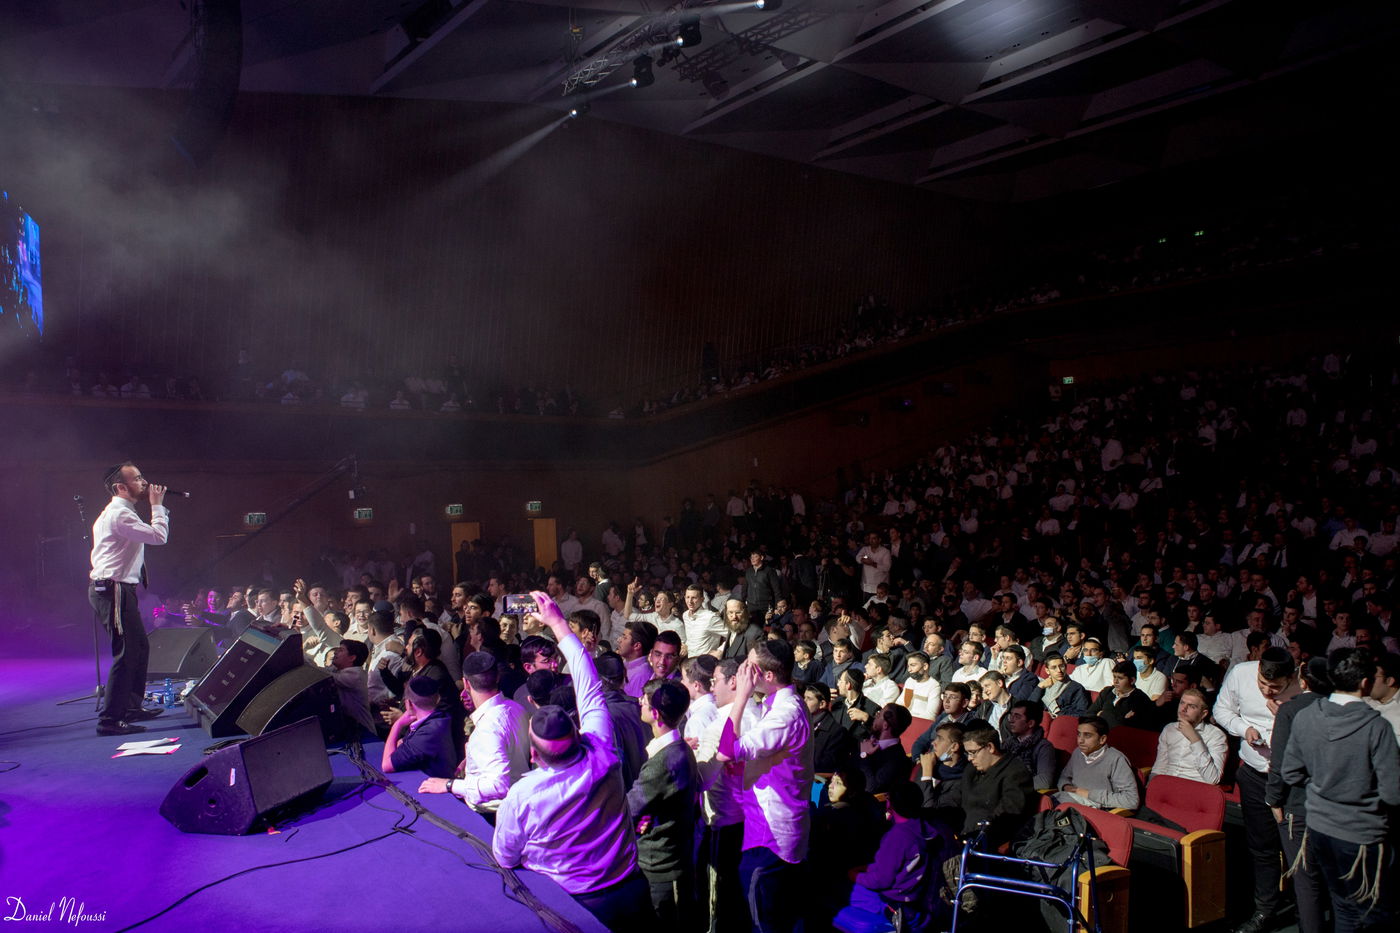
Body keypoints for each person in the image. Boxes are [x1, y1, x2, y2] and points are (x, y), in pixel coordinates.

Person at [492, 592, 654, 931]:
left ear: (534, 754)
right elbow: (587, 680)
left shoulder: (524, 794)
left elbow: (504, 857)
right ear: (578, 732)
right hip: (631, 889)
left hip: (577, 905)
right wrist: (557, 622)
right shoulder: (603, 752)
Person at [1282, 648, 1400, 933]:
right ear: (1364, 683)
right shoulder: (1377, 727)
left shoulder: (1306, 716)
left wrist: (1325, 786)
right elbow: (1392, 794)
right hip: (1361, 836)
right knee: (1373, 914)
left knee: (1343, 908)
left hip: (1320, 831)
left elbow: (1290, 772)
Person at [716, 638, 813, 932]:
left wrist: (742, 695)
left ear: (767, 676)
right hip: (767, 827)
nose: (743, 670)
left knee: (764, 921)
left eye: (749, 666)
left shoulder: (785, 715)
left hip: (771, 836)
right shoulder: (780, 704)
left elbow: (725, 751)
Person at [1213, 647, 1297, 933]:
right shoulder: (1240, 673)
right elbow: (1221, 710)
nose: (1267, 692)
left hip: (1291, 779)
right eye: (1262, 684)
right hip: (1252, 773)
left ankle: (1305, 906)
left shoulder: (1303, 689)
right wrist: (1243, 727)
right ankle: (1265, 909)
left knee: (1296, 846)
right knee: (1262, 847)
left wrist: (1287, 713)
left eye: (1275, 687)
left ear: (1291, 678)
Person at [88, 462, 170, 736]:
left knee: (140, 647)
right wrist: (157, 506)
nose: (144, 482)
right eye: (137, 479)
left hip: (120, 589)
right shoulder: (119, 515)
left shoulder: (122, 513)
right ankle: (110, 720)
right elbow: (159, 536)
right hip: (113, 589)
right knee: (126, 652)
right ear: (120, 487)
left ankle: (131, 707)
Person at [418, 651, 530, 816]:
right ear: (497, 677)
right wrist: (471, 760)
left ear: (466, 683)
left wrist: (449, 785)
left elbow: (498, 785)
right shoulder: (516, 708)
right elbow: (510, 750)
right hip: (517, 804)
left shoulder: (488, 728)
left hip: (494, 814)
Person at [1265, 657, 1331, 933]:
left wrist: (1273, 799)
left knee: (1306, 882)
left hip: (1301, 806)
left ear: (1303, 681)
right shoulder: (1351, 709)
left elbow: (1279, 762)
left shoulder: (1291, 711)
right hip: (1342, 807)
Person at [628, 679, 701, 924]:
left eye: (645, 702)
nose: (640, 703)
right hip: (670, 861)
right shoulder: (679, 750)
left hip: (662, 866)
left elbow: (629, 809)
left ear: (656, 714)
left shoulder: (663, 763)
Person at [1054, 716, 1140, 810]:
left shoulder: (1116, 759)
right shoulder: (1077, 752)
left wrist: (1089, 794)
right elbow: (1064, 777)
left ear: (1102, 739)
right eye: (1079, 734)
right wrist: (1067, 787)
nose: (1080, 740)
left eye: (1087, 735)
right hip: (1073, 801)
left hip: (1100, 811)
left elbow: (1131, 800)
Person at [382, 675, 458, 779]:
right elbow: (400, 744)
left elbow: (386, 765)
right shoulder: (441, 717)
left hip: (434, 791)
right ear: (438, 698)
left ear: (408, 703)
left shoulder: (429, 732)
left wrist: (397, 725)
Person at [1151, 687, 1227, 784]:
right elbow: (1159, 767)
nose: (1183, 709)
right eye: (1182, 703)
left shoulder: (1216, 735)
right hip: (1167, 785)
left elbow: (1213, 779)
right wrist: (1151, 785)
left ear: (1203, 714)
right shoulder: (1169, 729)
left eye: (1192, 706)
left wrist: (1194, 738)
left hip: (1193, 790)